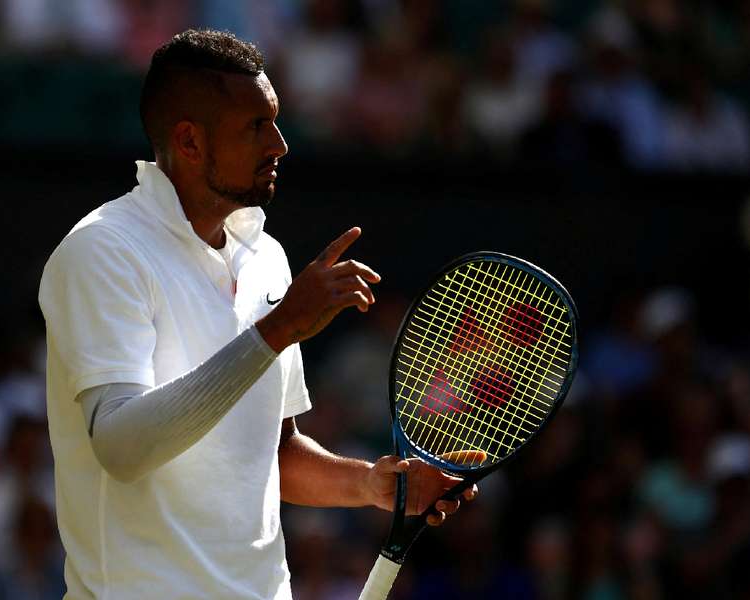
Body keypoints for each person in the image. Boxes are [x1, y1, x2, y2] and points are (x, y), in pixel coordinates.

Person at [38, 28, 477, 599]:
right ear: (190, 142)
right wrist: (277, 330)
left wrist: (376, 485)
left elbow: (276, 453)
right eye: (255, 126)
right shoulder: (101, 250)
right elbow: (122, 448)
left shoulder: (266, 258)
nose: (280, 144)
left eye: (275, 120)